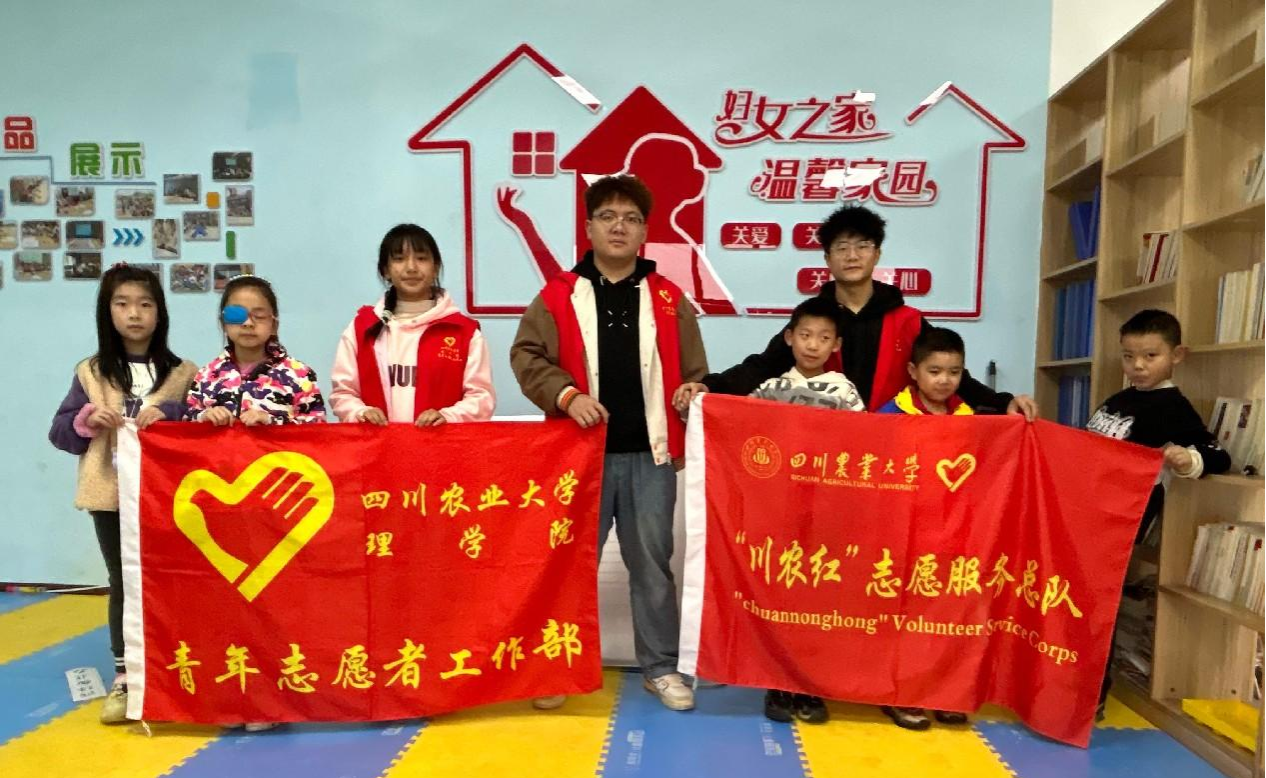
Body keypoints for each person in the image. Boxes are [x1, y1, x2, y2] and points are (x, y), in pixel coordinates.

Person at [510, 174, 708, 711]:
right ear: (589, 227)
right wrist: (567, 395)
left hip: (650, 457)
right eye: (608, 217)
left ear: (644, 232)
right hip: (579, 458)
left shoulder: (668, 298)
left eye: (631, 219)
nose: (619, 227)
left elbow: (695, 370)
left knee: (653, 566)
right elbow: (526, 355)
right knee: (569, 566)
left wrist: (693, 389)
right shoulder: (558, 295)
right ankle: (555, 667)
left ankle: (660, 667)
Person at [674, 205, 1037, 418]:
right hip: (824, 449)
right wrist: (710, 386)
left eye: (863, 246)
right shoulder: (815, 320)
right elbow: (761, 367)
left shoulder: (908, 321)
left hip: (893, 447)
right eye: (842, 247)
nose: (852, 256)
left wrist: (1004, 403)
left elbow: (950, 375)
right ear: (827, 258)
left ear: (877, 254)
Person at [48, 264, 198, 724]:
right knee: (123, 581)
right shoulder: (91, 372)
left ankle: (177, 669)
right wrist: (86, 420)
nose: (135, 314)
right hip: (111, 495)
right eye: (123, 303)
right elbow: (60, 433)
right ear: (107, 311)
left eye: (145, 304)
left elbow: (200, 427)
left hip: (168, 497)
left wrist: (171, 413)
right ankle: (126, 677)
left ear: (160, 312)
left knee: (173, 581)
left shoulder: (183, 372)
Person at [1086, 309, 1230, 716]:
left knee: (1097, 608)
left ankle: (1092, 694)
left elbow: (1218, 455)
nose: (1138, 366)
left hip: (1121, 523)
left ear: (1176, 355)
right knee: (1075, 602)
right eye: (1129, 356)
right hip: (1087, 515)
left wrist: (1187, 458)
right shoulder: (1118, 400)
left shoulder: (1172, 407)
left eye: (1150, 356)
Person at [743, 296, 865, 724]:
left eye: (824, 338)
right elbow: (739, 427)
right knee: (778, 597)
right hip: (779, 512)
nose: (813, 345)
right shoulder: (770, 390)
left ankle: (811, 686)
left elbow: (864, 445)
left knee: (819, 599)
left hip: (827, 513)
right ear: (789, 337)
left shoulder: (846, 392)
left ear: (836, 345)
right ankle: (777, 682)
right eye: (806, 335)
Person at [873, 326, 975, 730]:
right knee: (903, 621)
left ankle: (943, 692)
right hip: (903, 537)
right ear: (914, 371)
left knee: (947, 617)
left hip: (951, 537)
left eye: (954, 371)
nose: (944, 380)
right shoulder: (890, 415)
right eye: (935, 371)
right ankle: (901, 694)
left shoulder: (970, 418)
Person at [329, 224, 493, 426]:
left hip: (443, 445)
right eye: (399, 259)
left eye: (421, 258)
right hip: (376, 445)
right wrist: (360, 412)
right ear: (385, 270)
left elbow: (481, 398)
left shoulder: (464, 332)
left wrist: (449, 417)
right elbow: (343, 393)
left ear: (436, 268)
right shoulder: (362, 328)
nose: (411, 267)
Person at [184, 275, 325, 426]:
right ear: (224, 323)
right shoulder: (206, 375)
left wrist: (272, 422)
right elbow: (186, 423)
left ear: (274, 325)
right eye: (236, 315)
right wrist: (204, 417)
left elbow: (316, 427)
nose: (248, 323)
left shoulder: (300, 375)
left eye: (259, 316)